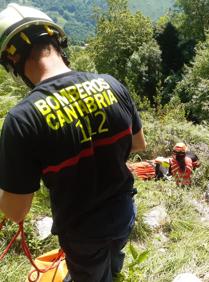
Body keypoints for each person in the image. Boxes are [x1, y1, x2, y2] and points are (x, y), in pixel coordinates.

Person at [0, 3, 146, 281]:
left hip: (83, 233)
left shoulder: (23, 119)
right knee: (113, 260)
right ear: (56, 41)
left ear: (14, 59)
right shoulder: (111, 84)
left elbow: (16, 210)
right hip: (123, 214)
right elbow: (138, 144)